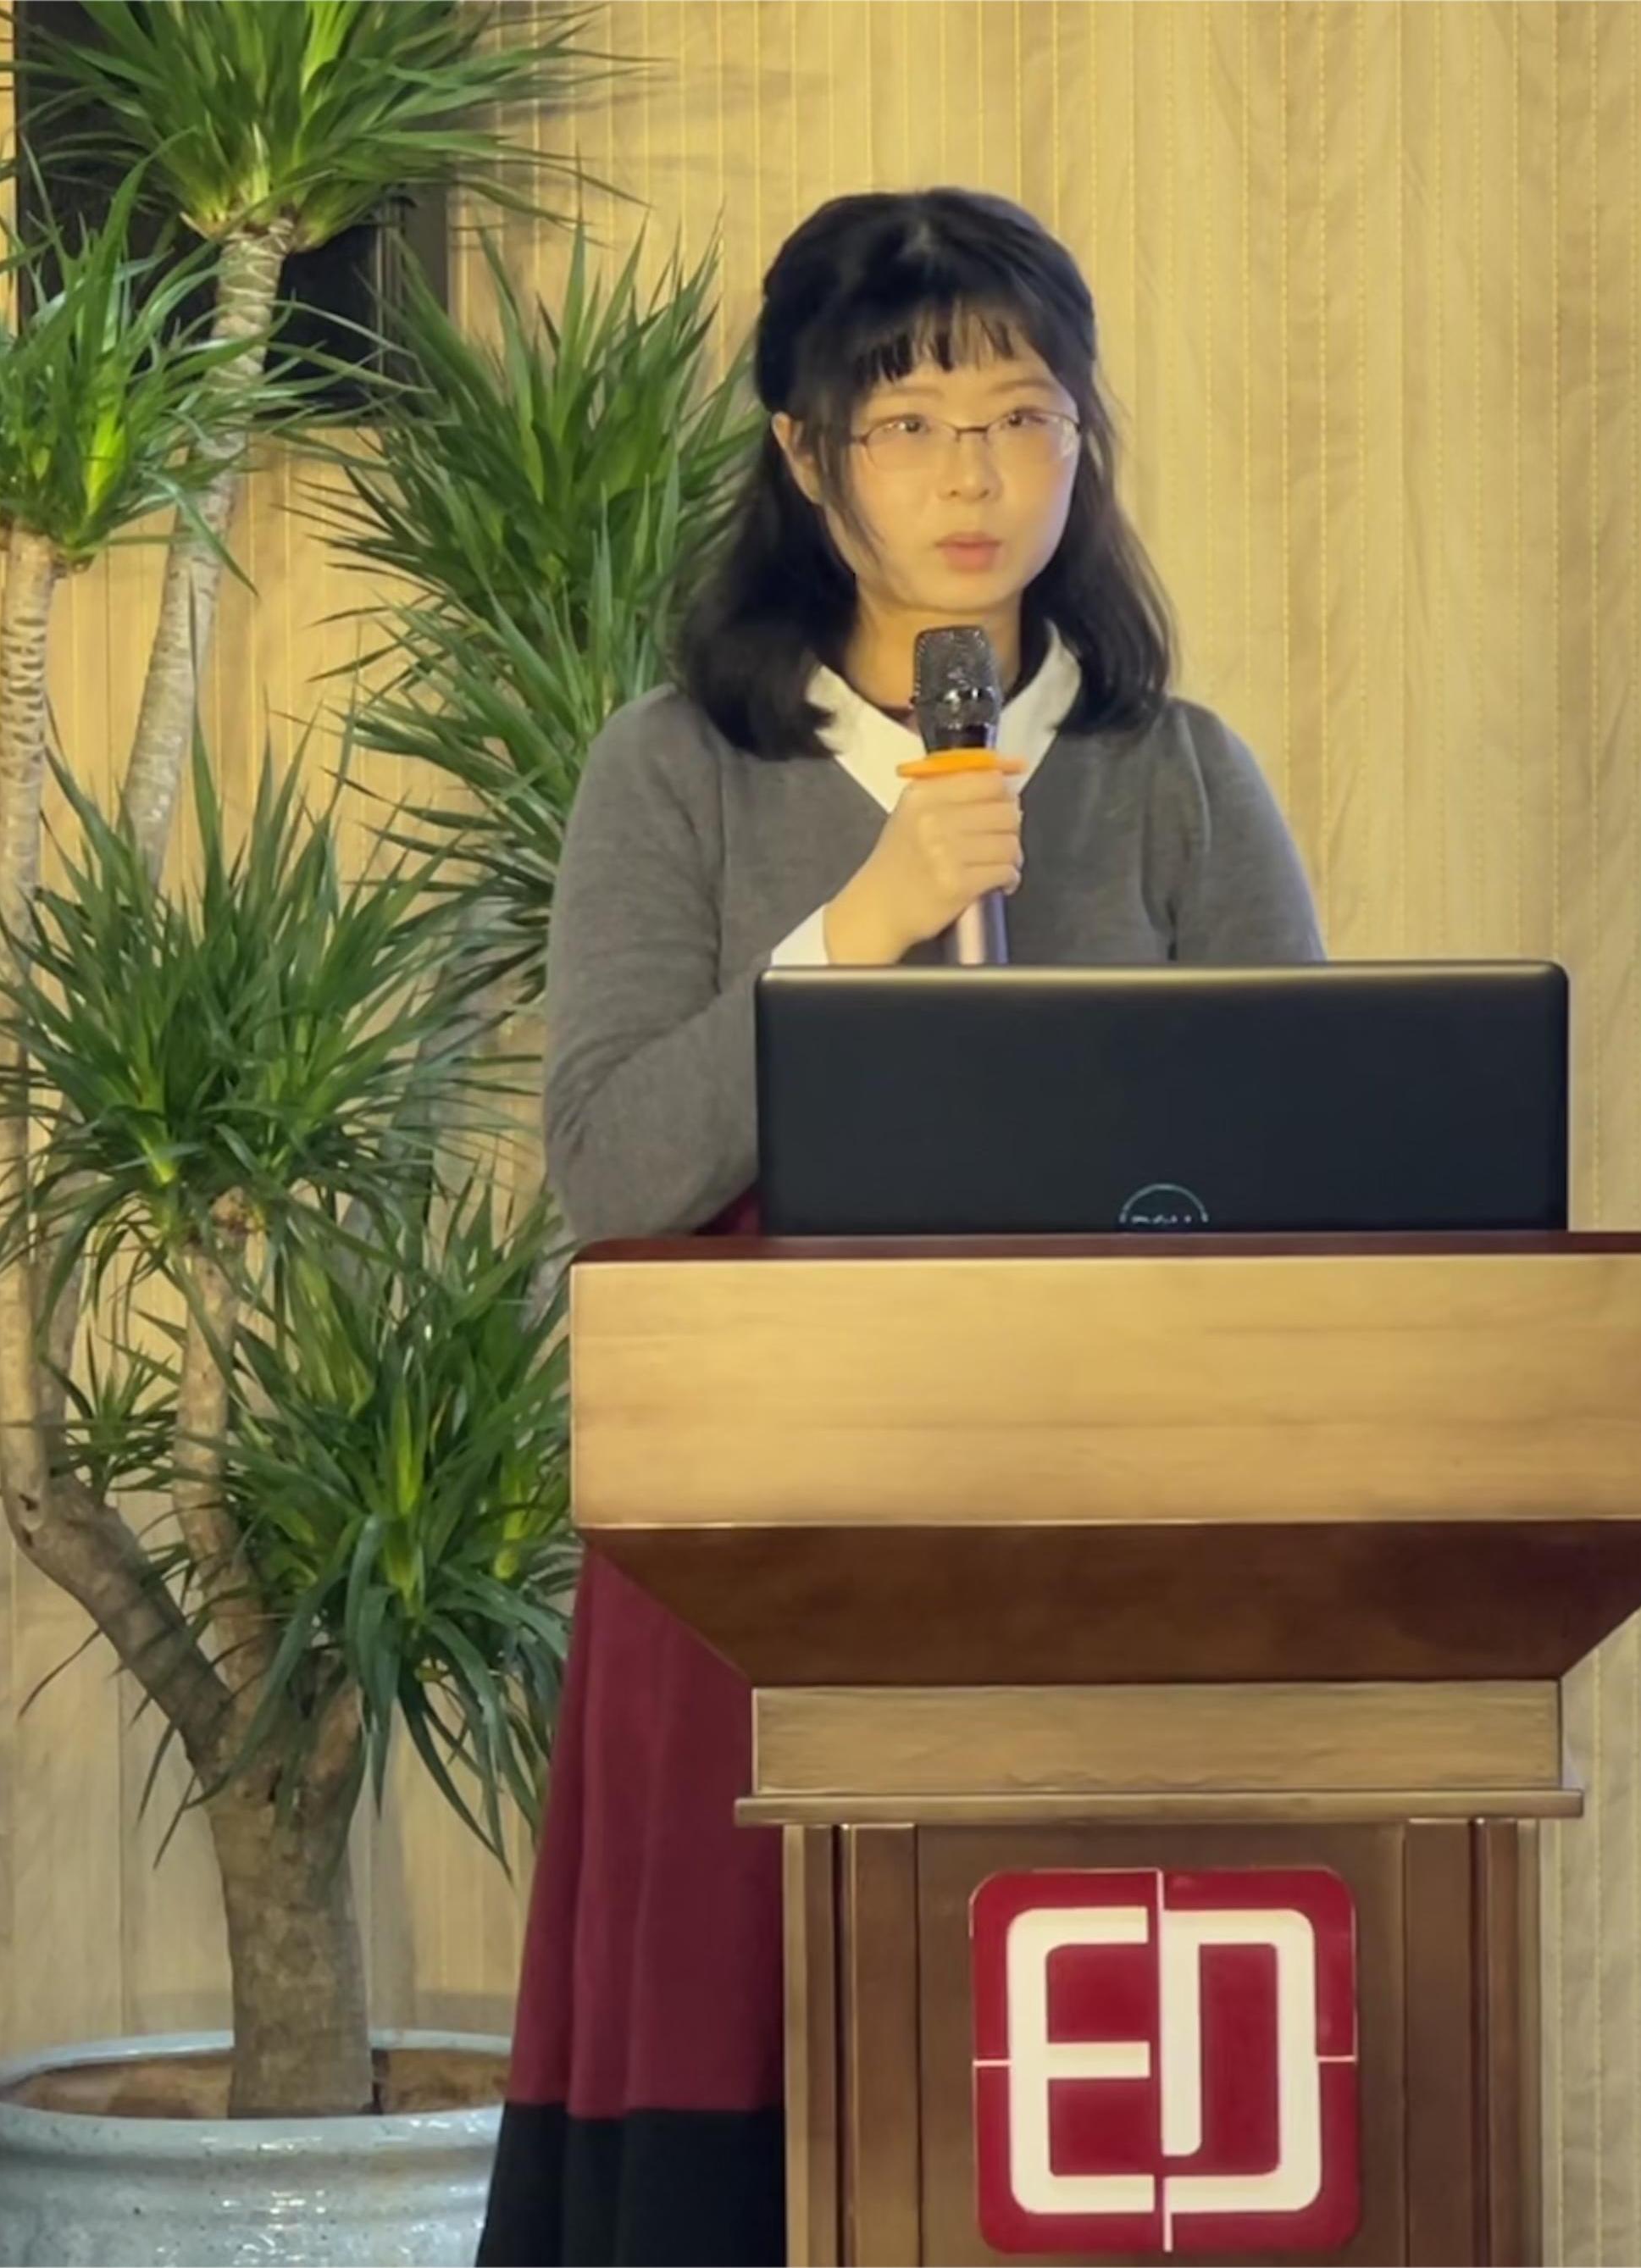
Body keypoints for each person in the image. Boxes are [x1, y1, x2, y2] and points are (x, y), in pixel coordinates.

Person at [478, 186, 1323, 2267]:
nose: (975, 477)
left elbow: (1315, 1171)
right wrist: (853, 932)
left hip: (1104, 1528)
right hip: (753, 1540)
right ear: (803, 454)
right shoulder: (675, 773)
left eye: (1024, 418)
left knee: (1064, 2099)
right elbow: (612, 1166)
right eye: (912, 422)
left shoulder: (1178, 775)